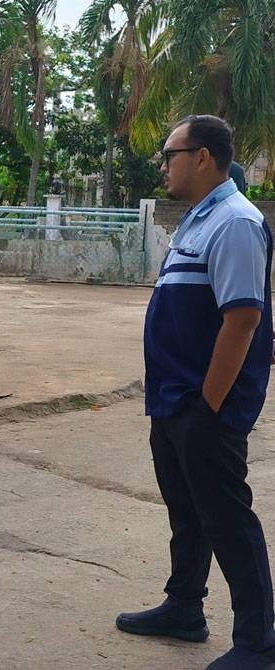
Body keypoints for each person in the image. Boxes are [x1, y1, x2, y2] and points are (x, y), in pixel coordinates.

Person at [116, 115, 275, 670]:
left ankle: (260, 643)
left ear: (202, 157)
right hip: (174, 399)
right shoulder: (196, 220)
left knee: (228, 519)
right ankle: (185, 607)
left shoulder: (235, 222)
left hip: (206, 407)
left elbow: (243, 321)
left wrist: (208, 407)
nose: (163, 165)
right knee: (187, 513)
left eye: (170, 154)